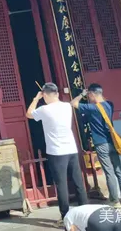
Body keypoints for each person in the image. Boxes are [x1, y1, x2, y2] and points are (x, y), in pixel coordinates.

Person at [26, 83, 89, 223]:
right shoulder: (67, 106)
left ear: (45, 95)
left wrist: (36, 99)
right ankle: (85, 213)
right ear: (57, 94)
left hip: (56, 152)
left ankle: (65, 216)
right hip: (71, 149)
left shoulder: (44, 109)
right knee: (78, 182)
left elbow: (29, 114)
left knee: (61, 185)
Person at [72, 84, 121, 207]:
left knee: (109, 172)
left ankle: (115, 201)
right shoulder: (110, 105)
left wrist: (81, 94)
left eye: (89, 95)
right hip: (113, 142)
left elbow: (73, 103)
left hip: (101, 143)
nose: (88, 97)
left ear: (92, 94)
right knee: (119, 170)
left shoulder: (92, 108)